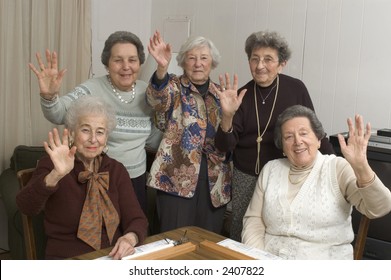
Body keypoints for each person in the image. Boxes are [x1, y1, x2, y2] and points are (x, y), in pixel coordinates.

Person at [214, 30, 335, 241]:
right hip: (247, 176)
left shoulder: (296, 89)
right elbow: (224, 146)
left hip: (286, 175)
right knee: (244, 229)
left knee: (281, 231)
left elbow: (315, 132)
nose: (260, 65)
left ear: (282, 64)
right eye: (254, 59)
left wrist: (334, 168)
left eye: (268, 59)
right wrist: (227, 115)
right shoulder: (241, 95)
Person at [28, 31, 162, 215]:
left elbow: (153, 139)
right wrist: (49, 96)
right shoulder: (92, 88)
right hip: (100, 176)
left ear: (139, 63)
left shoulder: (148, 92)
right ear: (107, 63)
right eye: (118, 60)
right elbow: (59, 114)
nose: (126, 66)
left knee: (135, 233)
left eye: (132, 60)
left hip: (136, 180)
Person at [242, 105, 391, 259]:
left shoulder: (337, 168)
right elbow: (254, 221)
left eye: (304, 133)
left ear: (319, 139)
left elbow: (380, 208)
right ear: (283, 148)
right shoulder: (270, 170)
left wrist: (361, 167)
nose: (298, 141)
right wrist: (258, 261)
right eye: (288, 137)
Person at [16, 96, 148, 259]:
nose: (93, 139)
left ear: (106, 138)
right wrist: (55, 175)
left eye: (100, 132)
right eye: (85, 130)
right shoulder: (52, 165)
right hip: (68, 259)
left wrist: (129, 238)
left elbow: (137, 218)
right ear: (71, 133)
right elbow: (25, 206)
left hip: (114, 257)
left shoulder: (116, 170)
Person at [145, 31, 244, 234]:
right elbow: (156, 100)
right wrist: (162, 68)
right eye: (192, 58)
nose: (198, 63)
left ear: (212, 63)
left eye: (204, 58)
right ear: (183, 62)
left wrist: (228, 115)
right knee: (173, 242)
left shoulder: (222, 94)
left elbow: (228, 143)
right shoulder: (173, 87)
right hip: (174, 181)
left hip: (213, 185)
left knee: (206, 243)